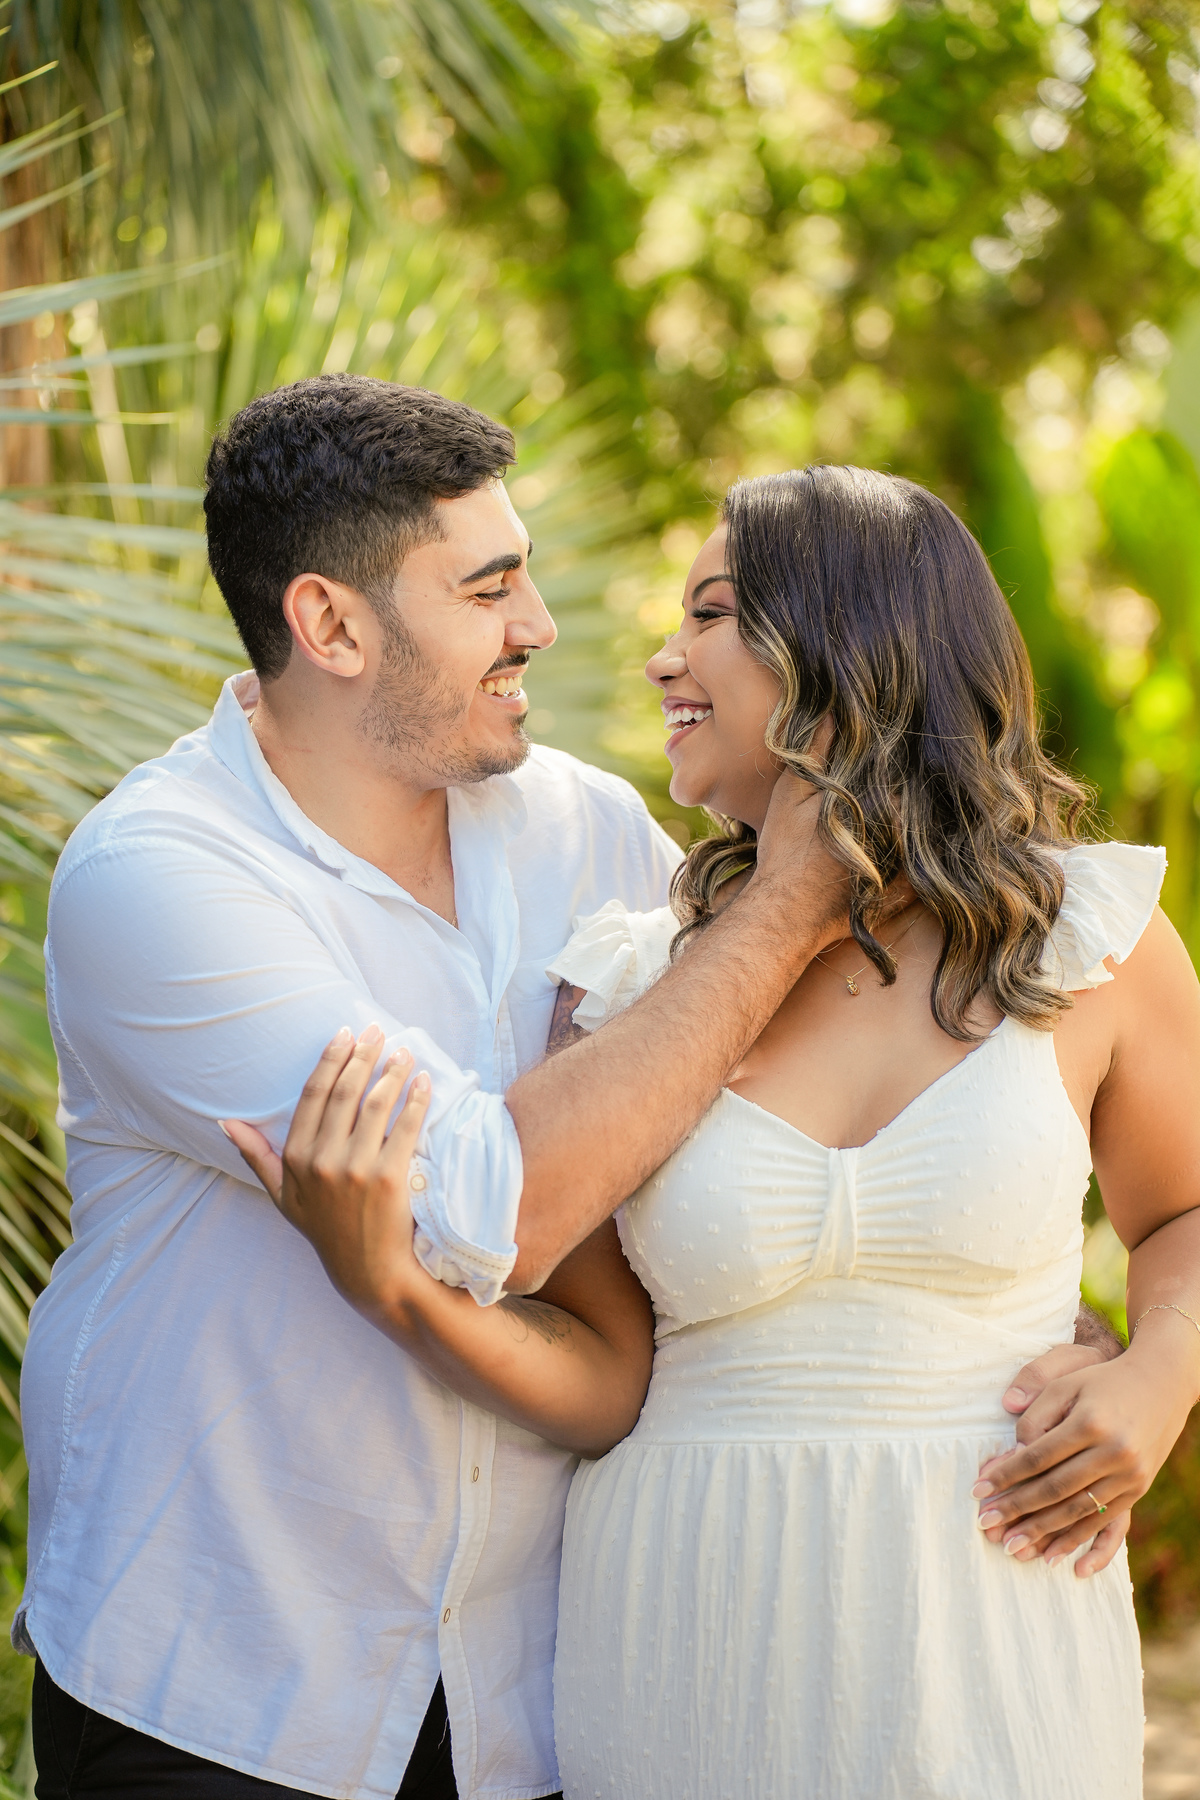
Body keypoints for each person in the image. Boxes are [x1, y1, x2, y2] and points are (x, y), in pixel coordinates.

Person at [228, 465, 1200, 1799]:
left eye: (711, 613)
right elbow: (594, 1361)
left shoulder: (1090, 938)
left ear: (852, 644)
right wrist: (396, 1287)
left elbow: (1184, 1212)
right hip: (688, 1625)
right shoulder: (630, 986)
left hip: (996, 1615)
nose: (661, 656)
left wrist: (1162, 1375)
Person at [19, 377, 864, 1800]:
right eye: (488, 588)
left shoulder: (588, 828)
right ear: (331, 625)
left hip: (532, 1703)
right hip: (225, 1689)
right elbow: (492, 1213)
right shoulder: (159, 879)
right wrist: (785, 905)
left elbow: (750, 1117)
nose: (538, 624)